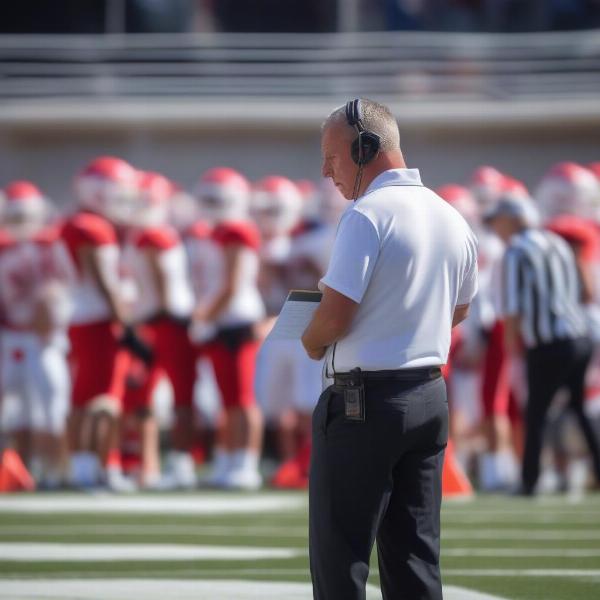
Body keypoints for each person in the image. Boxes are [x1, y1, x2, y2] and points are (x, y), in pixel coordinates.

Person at [302, 98, 479, 600]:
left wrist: (310, 338)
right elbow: (458, 310)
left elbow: (333, 319)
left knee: (341, 559)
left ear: (364, 148)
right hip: (428, 394)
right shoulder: (451, 216)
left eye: (332, 157)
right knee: (415, 558)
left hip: (363, 403)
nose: (325, 171)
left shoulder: (367, 215)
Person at [485, 194, 600, 495]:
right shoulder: (558, 243)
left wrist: (513, 346)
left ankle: (529, 481)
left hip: (549, 344)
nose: (495, 229)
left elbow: (511, 308)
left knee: (534, 414)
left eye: (497, 222)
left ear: (510, 220)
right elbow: (584, 292)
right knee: (577, 408)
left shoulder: (515, 252)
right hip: (580, 336)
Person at [0, 181, 72, 489]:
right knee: (15, 413)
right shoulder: (4, 247)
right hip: (8, 336)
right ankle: (22, 470)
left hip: (45, 339)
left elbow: (65, 289)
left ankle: (59, 471)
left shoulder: (52, 245)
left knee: (53, 408)